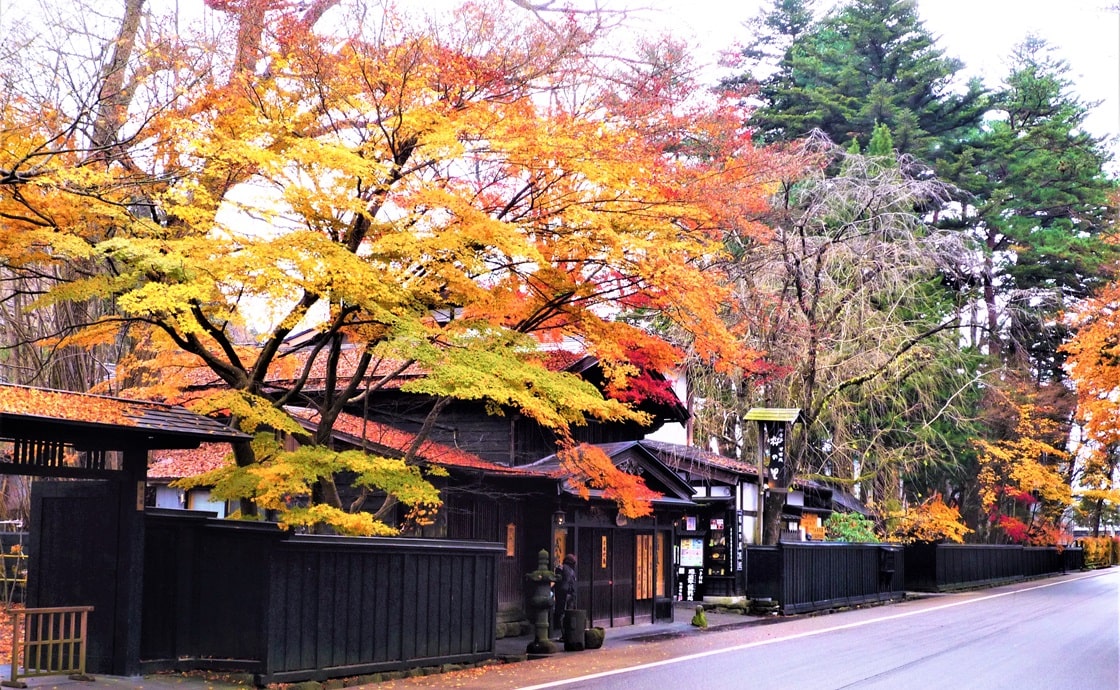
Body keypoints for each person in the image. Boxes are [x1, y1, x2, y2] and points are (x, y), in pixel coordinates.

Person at [553, 553, 576, 637]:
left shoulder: (561, 568)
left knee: (561, 612)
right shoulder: (572, 571)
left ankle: (562, 632)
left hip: (562, 592)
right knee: (568, 613)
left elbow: (557, 579)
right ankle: (567, 632)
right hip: (570, 593)